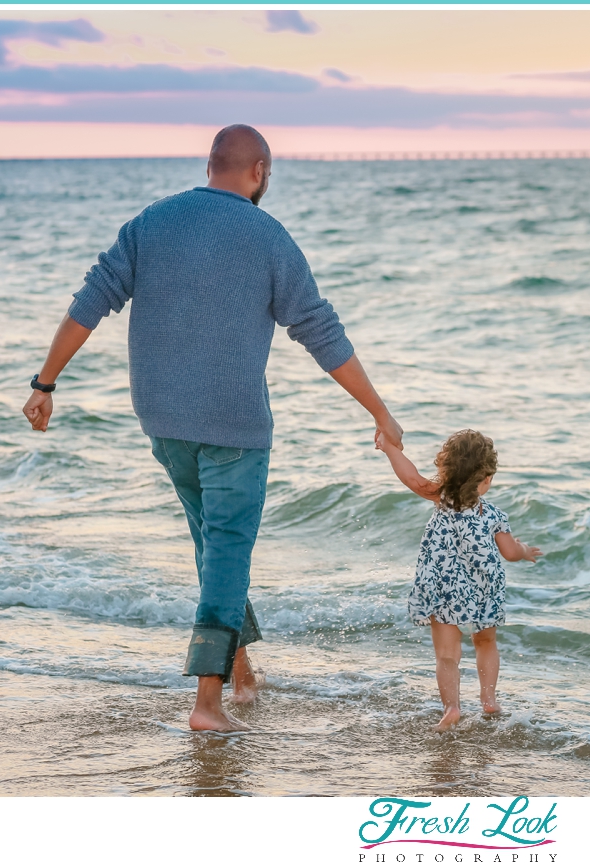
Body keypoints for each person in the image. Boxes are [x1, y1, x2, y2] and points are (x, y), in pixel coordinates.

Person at [22, 124, 403, 733]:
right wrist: (379, 411)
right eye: (268, 175)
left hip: (163, 421)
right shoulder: (270, 237)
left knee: (212, 542)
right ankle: (207, 703)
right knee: (227, 551)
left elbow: (89, 302)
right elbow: (319, 331)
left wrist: (44, 384)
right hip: (233, 425)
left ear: (211, 165)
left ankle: (242, 674)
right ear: (258, 172)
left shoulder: (152, 223)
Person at [375, 429, 541, 731]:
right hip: (484, 586)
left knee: (447, 655)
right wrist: (526, 550)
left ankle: (452, 708)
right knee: (486, 641)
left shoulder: (441, 497)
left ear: (446, 471)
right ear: (486, 478)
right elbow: (509, 551)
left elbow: (411, 477)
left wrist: (389, 448)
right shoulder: (493, 514)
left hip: (444, 585)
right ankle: (489, 699)